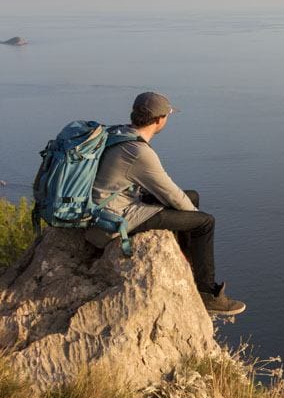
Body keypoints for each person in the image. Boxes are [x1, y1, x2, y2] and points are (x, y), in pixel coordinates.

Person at [85, 91, 246, 316]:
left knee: (192, 197)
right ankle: (208, 294)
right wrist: (193, 216)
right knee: (204, 222)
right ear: (160, 119)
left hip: (105, 207)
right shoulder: (139, 152)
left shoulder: (119, 133)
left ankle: (188, 265)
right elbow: (172, 195)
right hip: (111, 221)